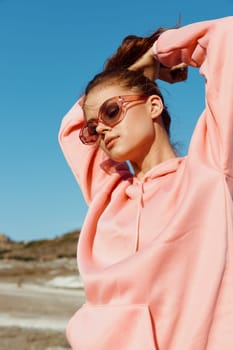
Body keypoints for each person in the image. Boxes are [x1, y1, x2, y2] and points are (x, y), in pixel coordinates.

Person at [59, 16, 233, 350]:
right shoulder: (108, 194)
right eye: (93, 128)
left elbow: (225, 37)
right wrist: (124, 72)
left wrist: (156, 55)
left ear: (153, 105)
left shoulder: (209, 170)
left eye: (112, 112)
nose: (101, 130)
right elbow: (70, 129)